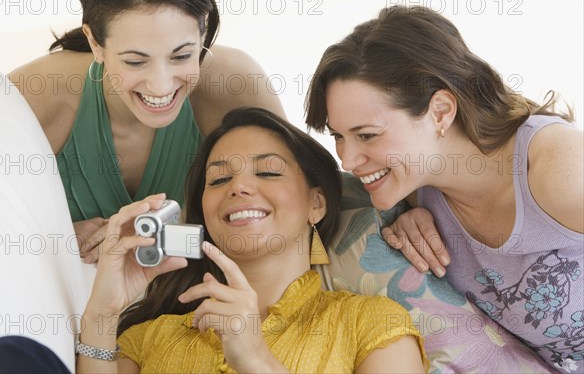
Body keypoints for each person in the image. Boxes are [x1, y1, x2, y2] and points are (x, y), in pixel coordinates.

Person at [305, 5, 583, 371]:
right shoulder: (413, 191)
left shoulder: (557, 169)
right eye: (339, 136)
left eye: (367, 135)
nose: (348, 160)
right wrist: (403, 215)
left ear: (440, 112)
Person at [77, 107, 427, 373]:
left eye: (268, 172)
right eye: (217, 180)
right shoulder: (148, 338)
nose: (238, 186)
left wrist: (257, 360)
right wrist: (103, 312)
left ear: (316, 203)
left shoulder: (372, 324)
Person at [8, 0, 284, 263]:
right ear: (95, 43)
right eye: (135, 62)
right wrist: (53, 238)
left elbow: (293, 205)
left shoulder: (234, 83)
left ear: (202, 30)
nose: (161, 84)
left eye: (182, 55)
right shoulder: (34, 93)